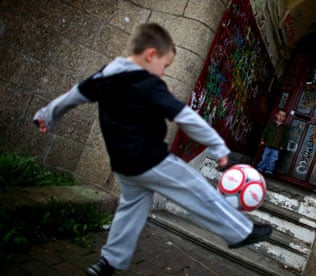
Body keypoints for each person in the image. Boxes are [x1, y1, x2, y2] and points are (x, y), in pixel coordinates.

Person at [33, 23, 272, 276]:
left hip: (124, 166)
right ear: (150, 55)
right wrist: (217, 146)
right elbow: (185, 117)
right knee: (198, 191)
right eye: (165, 66)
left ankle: (109, 262)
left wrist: (46, 115)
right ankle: (241, 232)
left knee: (130, 210)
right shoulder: (147, 83)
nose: (163, 73)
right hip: (151, 160)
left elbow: (74, 94)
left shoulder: (105, 76)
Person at [256, 108, 289, 175]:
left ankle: (269, 170)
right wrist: (262, 139)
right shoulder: (271, 124)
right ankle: (261, 167)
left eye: (283, 116)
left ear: (285, 118)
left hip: (277, 147)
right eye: (279, 115)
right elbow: (265, 132)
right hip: (268, 144)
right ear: (276, 115)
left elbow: (286, 138)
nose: (280, 117)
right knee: (264, 157)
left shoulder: (284, 128)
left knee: (273, 159)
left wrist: (283, 145)